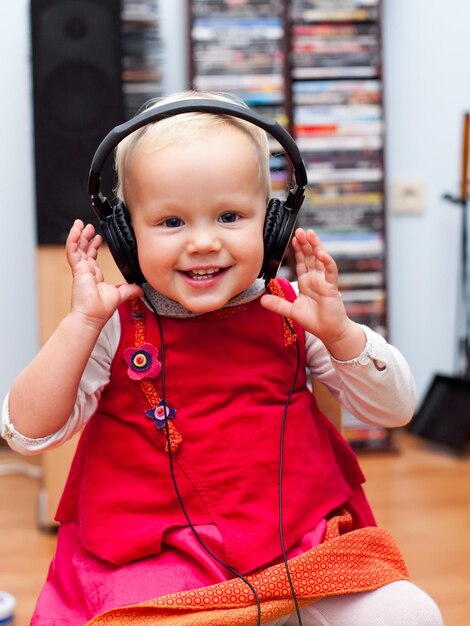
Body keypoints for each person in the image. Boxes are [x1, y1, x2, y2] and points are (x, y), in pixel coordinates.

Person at [1, 91, 443, 626]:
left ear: (271, 223)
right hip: (153, 561)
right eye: (171, 223)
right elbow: (27, 431)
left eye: (230, 215)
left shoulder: (294, 310)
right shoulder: (112, 324)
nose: (204, 242)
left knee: (408, 613)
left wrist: (343, 334)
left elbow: (395, 410)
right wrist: (80, 326)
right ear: (125, 235)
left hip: (293, 546)